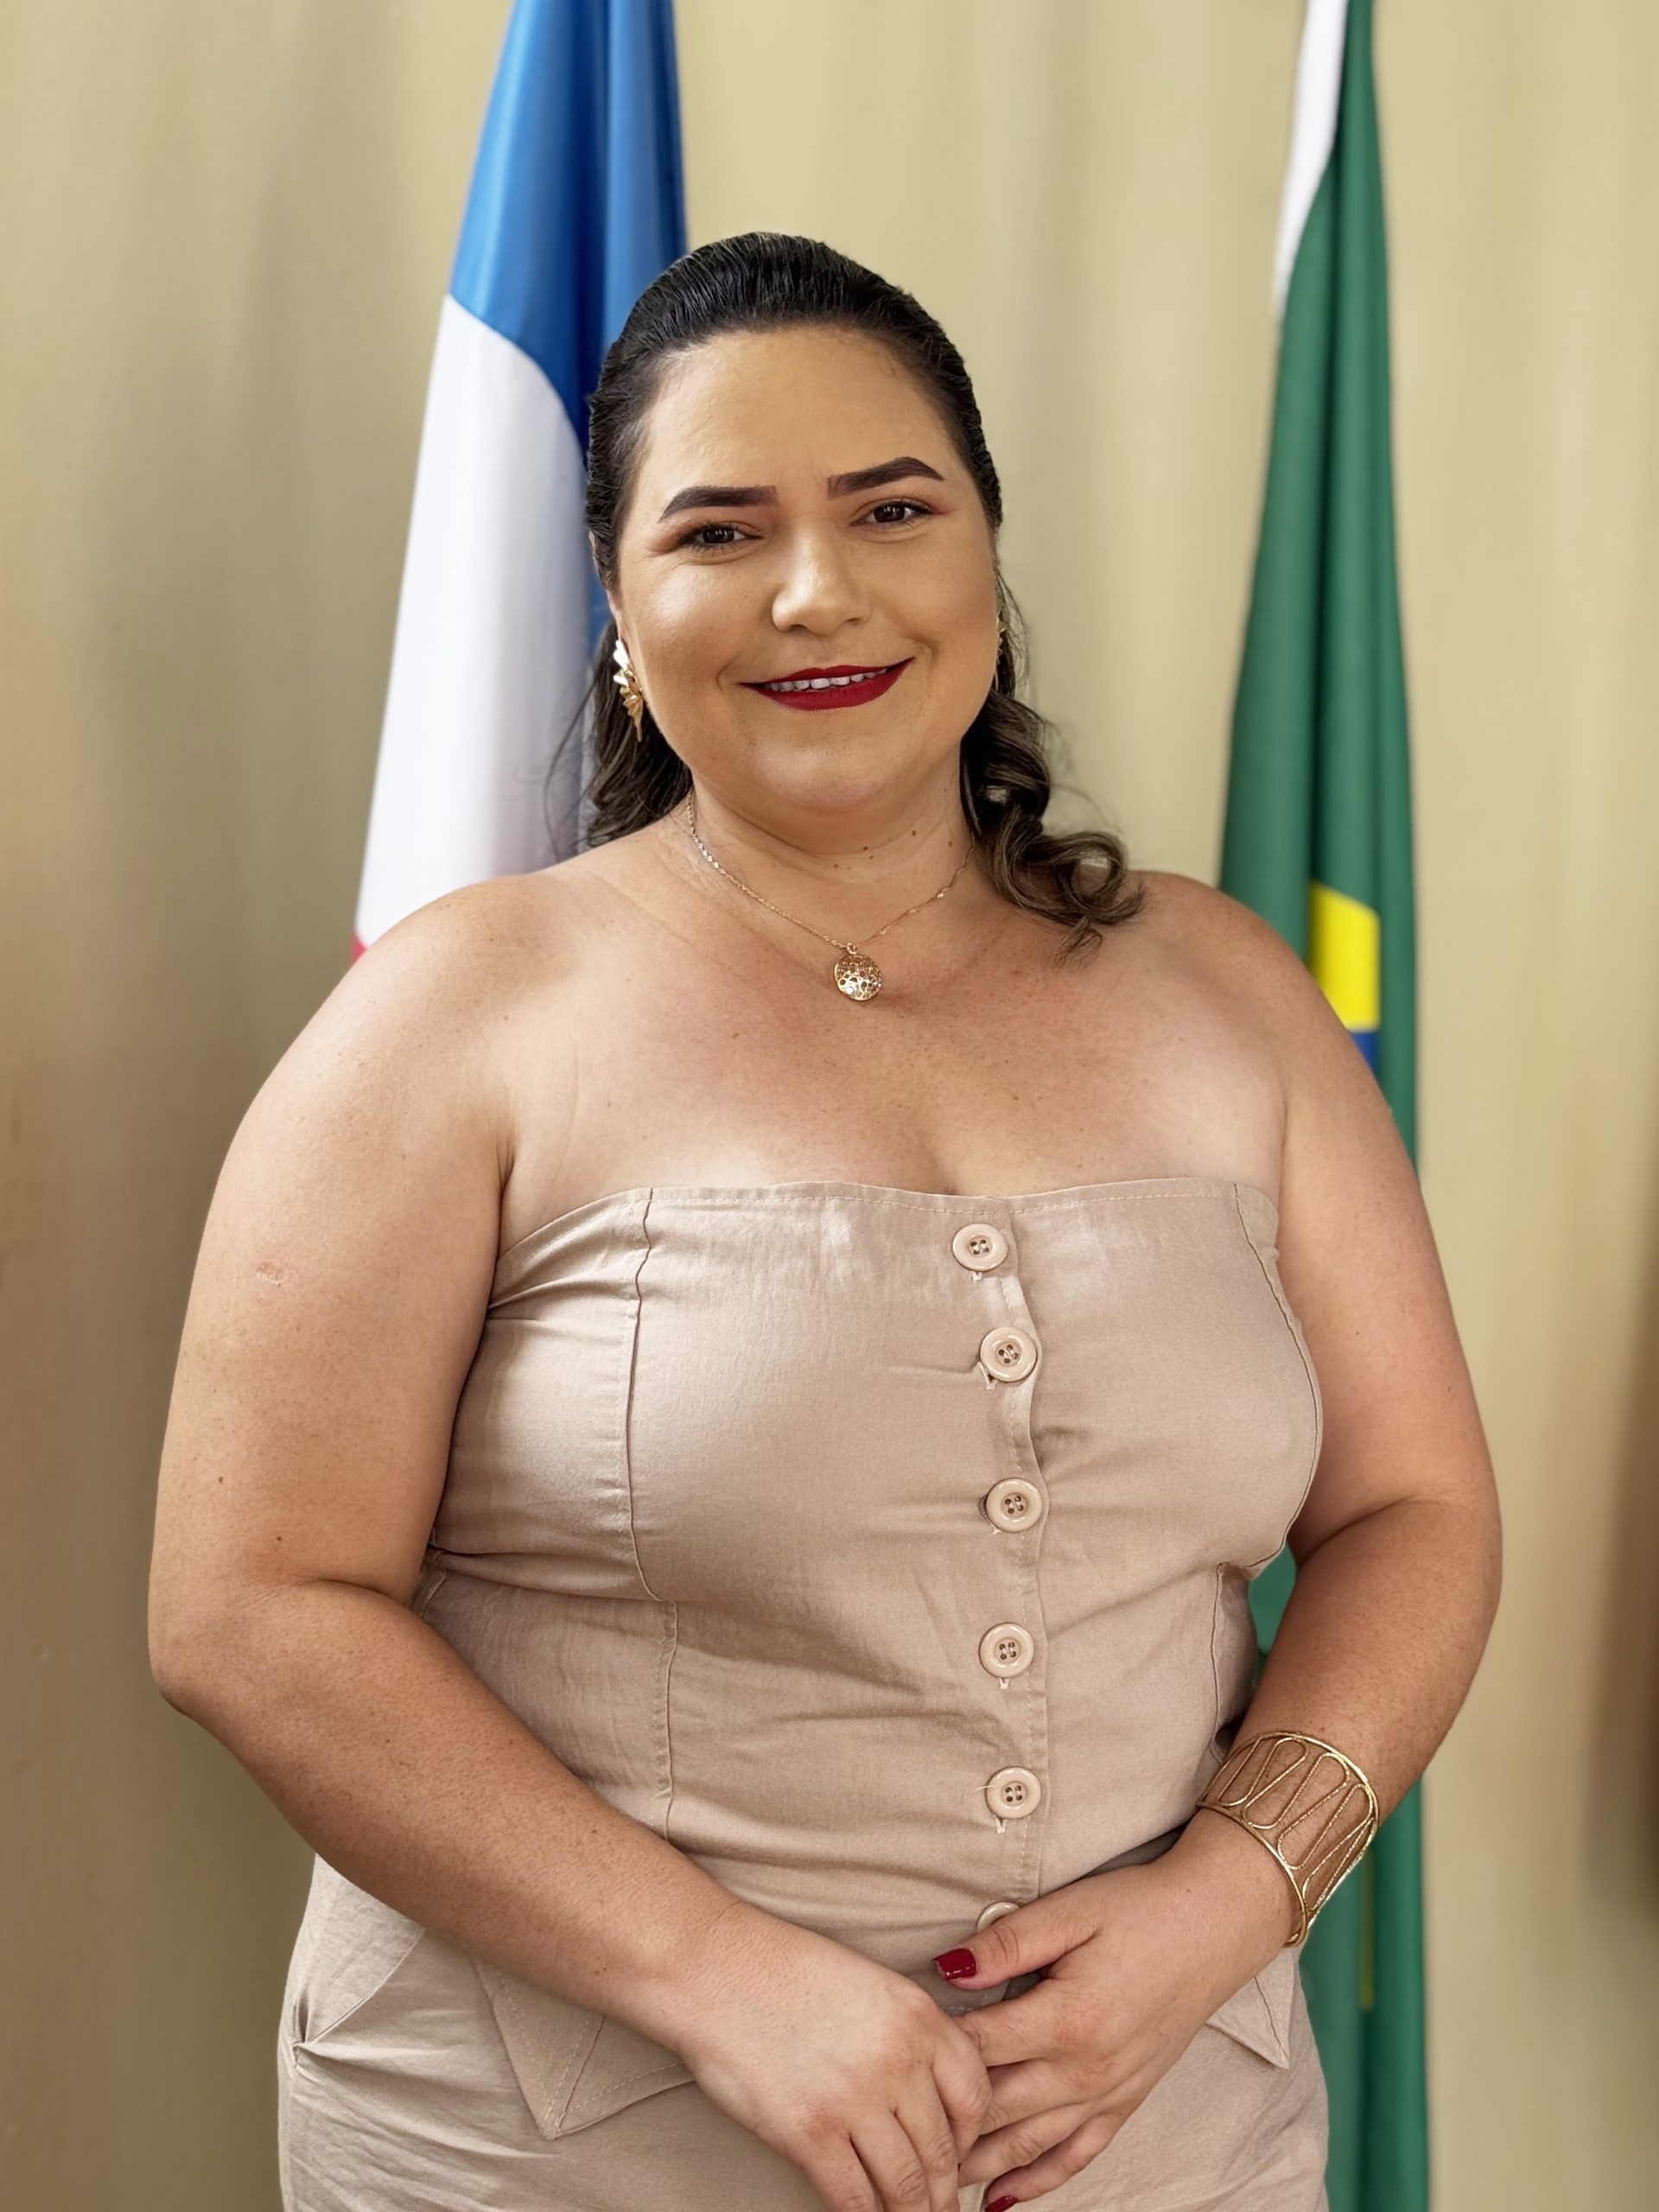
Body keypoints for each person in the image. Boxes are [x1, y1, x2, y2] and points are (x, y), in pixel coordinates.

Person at [147, 232, 1502, 2212]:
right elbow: (249, 1605)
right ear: (619, 602)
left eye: (892, 510)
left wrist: (1237, 1889)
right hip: (556, 2147)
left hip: (1166, 2133)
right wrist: (715, 1976)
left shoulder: (1229, 991)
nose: (816, 590)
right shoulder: (453, 1018)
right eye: (720, 531)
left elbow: (1417, 1510)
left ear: (986, 561)